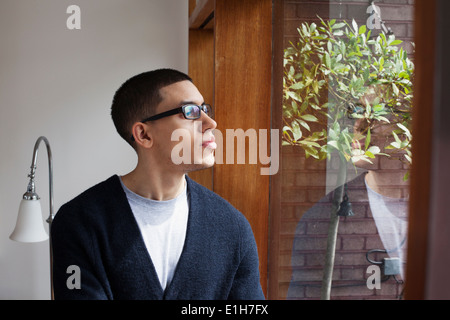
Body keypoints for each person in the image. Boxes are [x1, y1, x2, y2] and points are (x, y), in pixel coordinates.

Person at [51, 68, 265, 300]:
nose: (210, 122)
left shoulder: (232, 227)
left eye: (204, 109)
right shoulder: (79, 222)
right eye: (190, 112)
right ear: (143, 135)